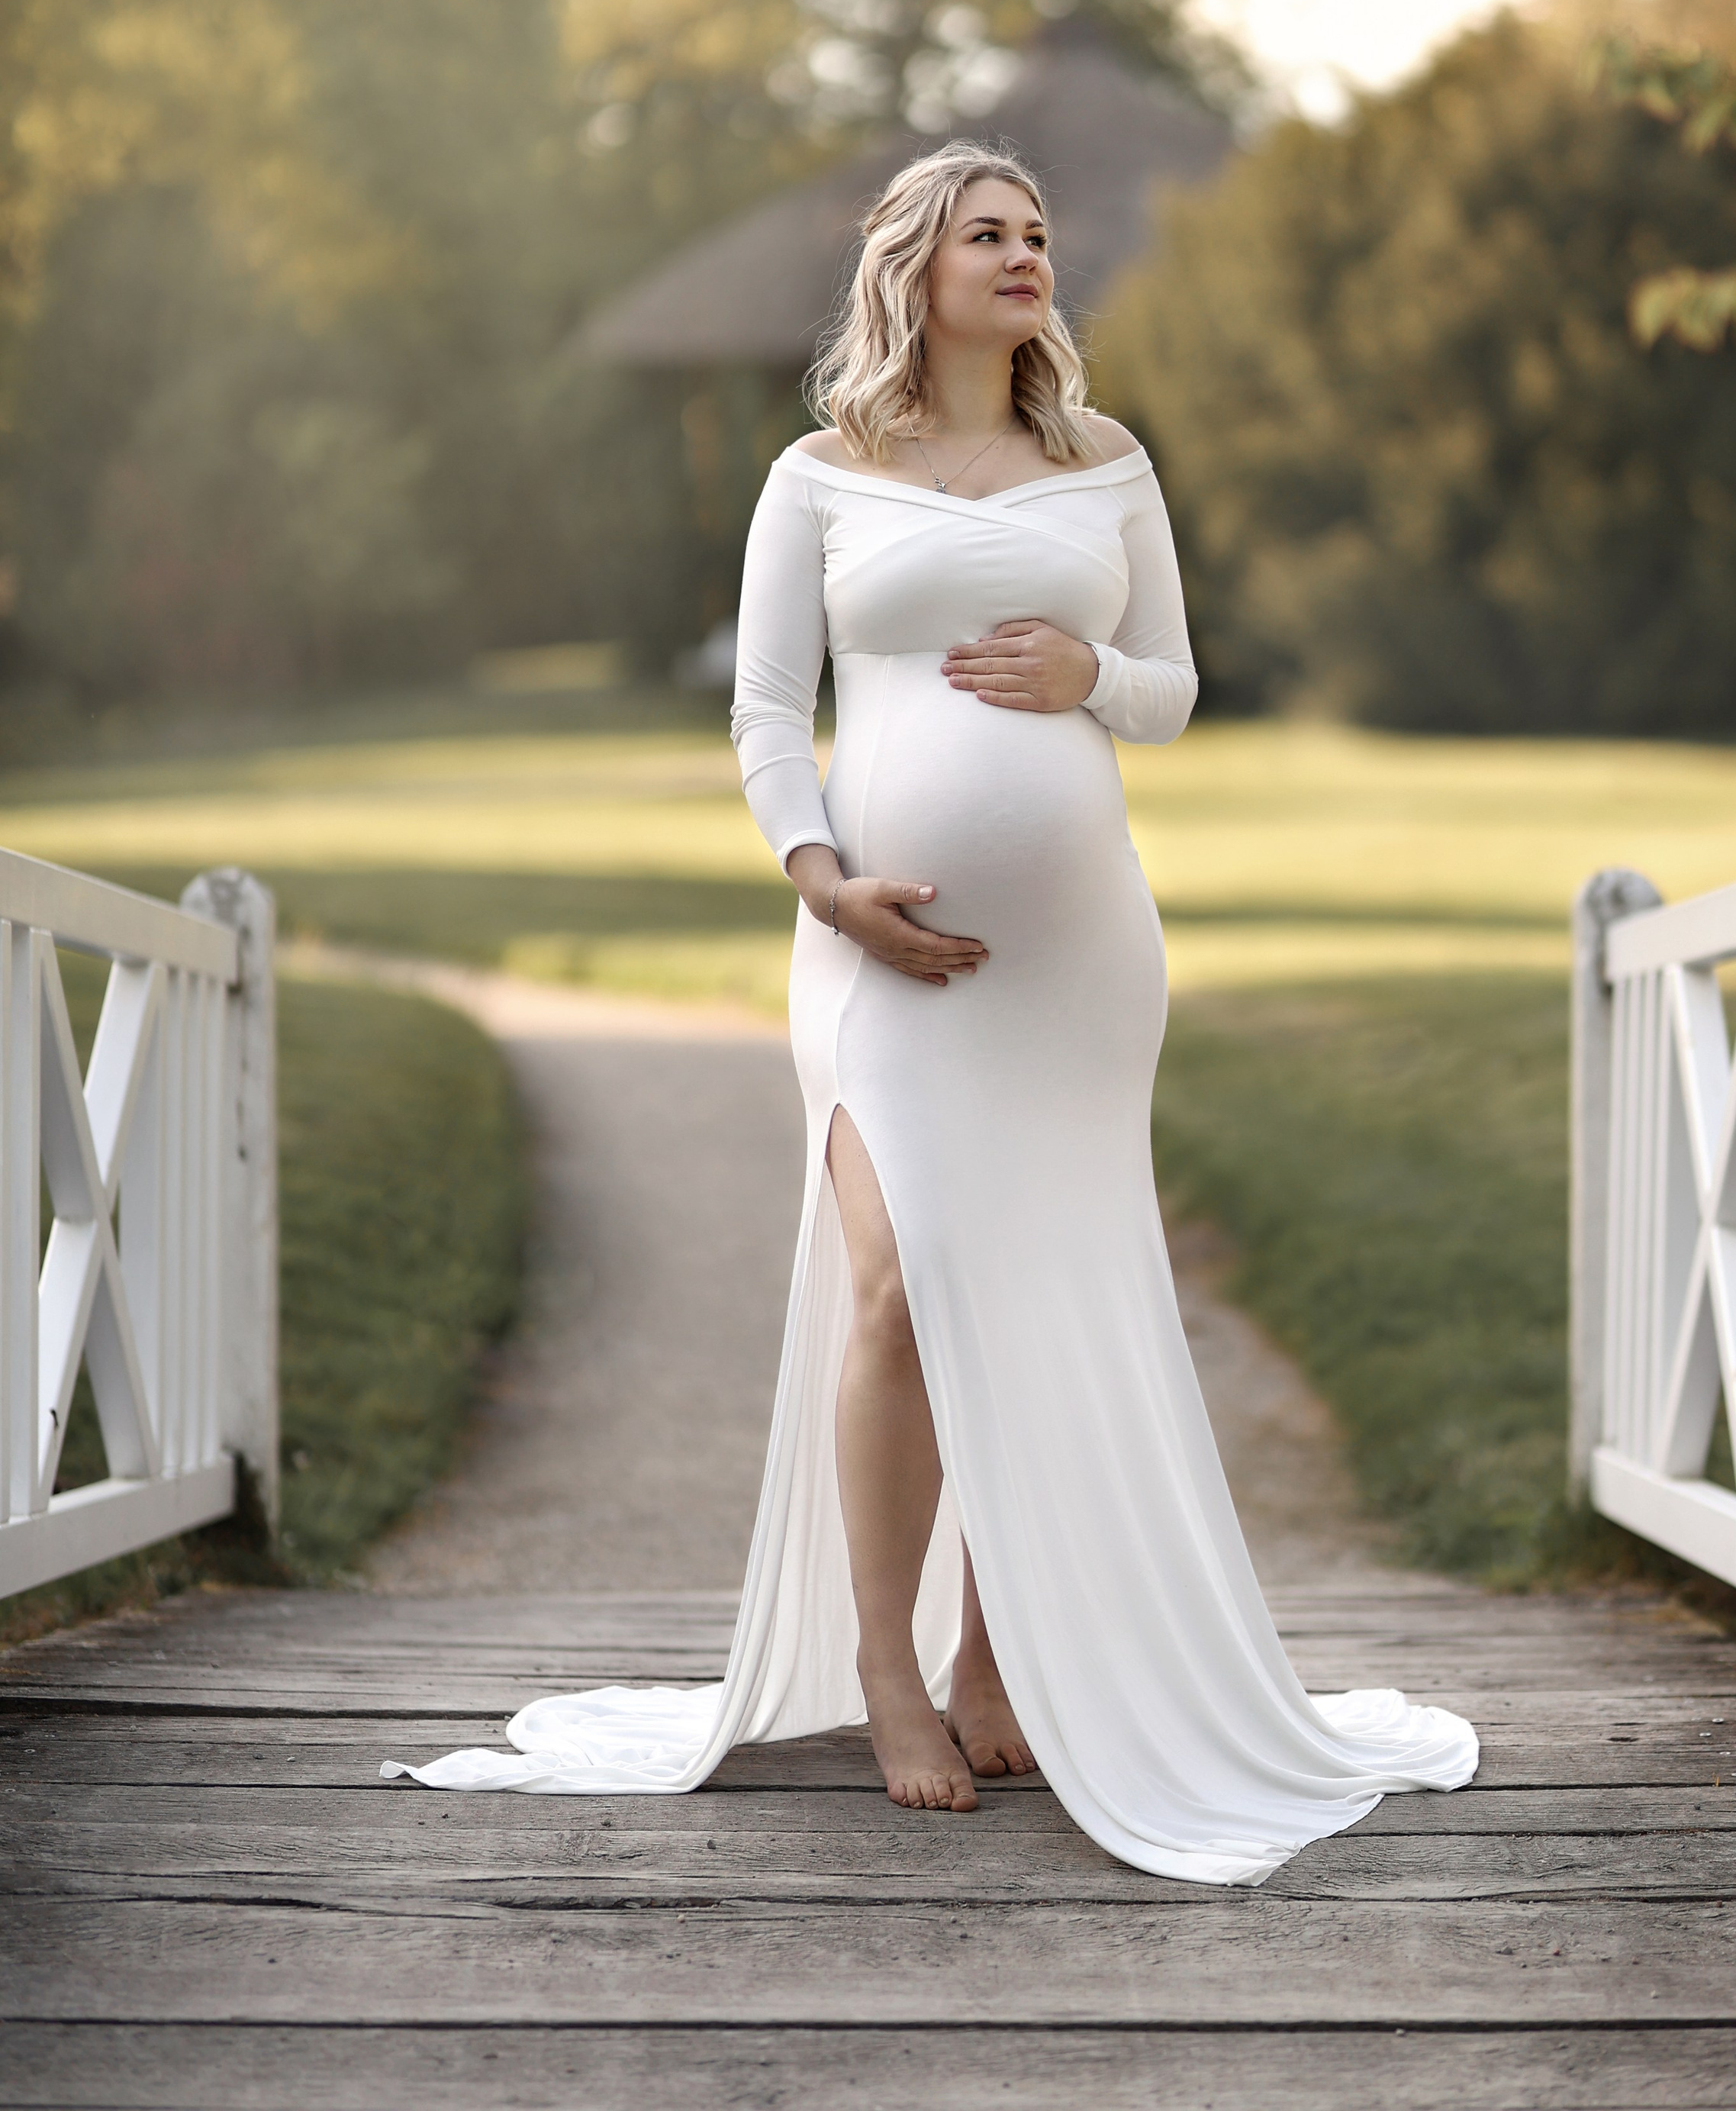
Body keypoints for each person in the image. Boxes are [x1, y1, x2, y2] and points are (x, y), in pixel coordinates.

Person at [385, 141, 1477, 1884]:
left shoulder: (1104, 463)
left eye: (1038, 231)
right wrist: (818, 877)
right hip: (868, 953)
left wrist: (1086, 677)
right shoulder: (817, 477)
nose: (1026, 252)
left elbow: (1177, 691)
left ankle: (999, 1655)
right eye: (989, 232)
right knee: (895, 1286)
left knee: (1036, 1286)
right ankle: (887, 1667)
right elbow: (761, 711)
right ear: (917, 268)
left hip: (1077, 972)